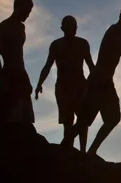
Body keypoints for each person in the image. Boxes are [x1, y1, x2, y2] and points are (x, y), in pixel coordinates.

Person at [61, 3, 121, 156]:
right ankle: (64, 148)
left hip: (106, 83)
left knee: (112, 118)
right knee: (83, 122)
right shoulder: (113, 32)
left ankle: (91, 152)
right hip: (97, 82)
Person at [35, 16, 95, 152]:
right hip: (63, 87)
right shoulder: (56, 45)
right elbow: (47, 66)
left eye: (74, 27)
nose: (72, 30)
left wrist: (95, 84)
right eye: (69, 27)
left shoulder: (82, 43)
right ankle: (68, 150)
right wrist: (39, 84)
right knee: (68, 121)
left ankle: (82, 150)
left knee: (83, 120)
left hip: (80, 86)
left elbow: (91, 65)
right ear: (63, 29)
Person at [0, 0, 35, 124]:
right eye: (27, 11)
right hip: (9, 75)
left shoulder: (21, 28)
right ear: (19, 7)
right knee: (13, 117)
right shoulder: (4, 27)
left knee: (27, 118)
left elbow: (19, 55)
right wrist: (2, 79)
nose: (28, 15)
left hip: (21, 74)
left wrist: (25, 76)